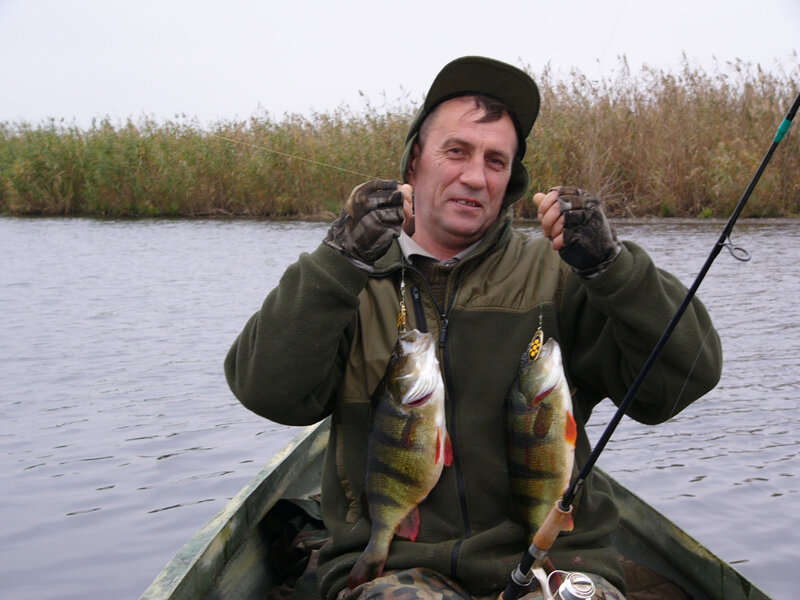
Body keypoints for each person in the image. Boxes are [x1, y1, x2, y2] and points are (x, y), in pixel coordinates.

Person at [225, 56, 722, 600]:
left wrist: (614, 267)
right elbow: (267, 391)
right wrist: (338, 259)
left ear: (510, 180)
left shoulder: (561, 276)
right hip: (393, 566)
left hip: (552, 558)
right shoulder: (348, 281)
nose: (475, 176)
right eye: (456, 151)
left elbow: (682, 380)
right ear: (414, 162)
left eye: (495, 160)